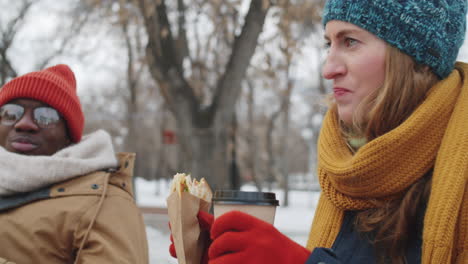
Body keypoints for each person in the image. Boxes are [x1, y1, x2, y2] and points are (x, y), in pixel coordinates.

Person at [169, 0, 468, 263]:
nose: (328, 68)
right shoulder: (348, 168)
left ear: (414, 59)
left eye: (350, 41)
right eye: (329, 44)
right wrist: (233, 253)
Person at [0, 64, 149, 263]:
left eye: (46, 116)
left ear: (68, 136)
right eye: (11, 112)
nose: (24, 123)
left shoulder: (106, 201)